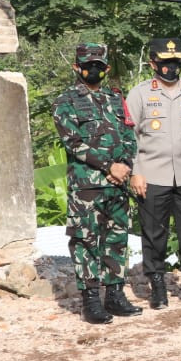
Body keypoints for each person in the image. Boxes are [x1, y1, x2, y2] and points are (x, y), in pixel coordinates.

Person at [52, 43, 142, 324]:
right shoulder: (65, 101)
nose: (94, 69)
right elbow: (73, 142)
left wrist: (125, 166)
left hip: (117, 185)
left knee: (116, 240)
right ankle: (91, 300)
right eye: (87, 64)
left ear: (106, 67)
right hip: (87, 187)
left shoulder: (116, 99)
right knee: (86, 241)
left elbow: (130, 136)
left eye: (99, 65)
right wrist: (108, 166)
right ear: (76, 67)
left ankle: (114, 295)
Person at [126, 38, 181, 310]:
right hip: (152, 175)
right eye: (165, 63)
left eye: (175, 63)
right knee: (154, 234)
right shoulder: (139, 94)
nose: (171, 68)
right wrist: (135, 172)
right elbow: (131, 136)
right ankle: (158, 286)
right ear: (154, 63)